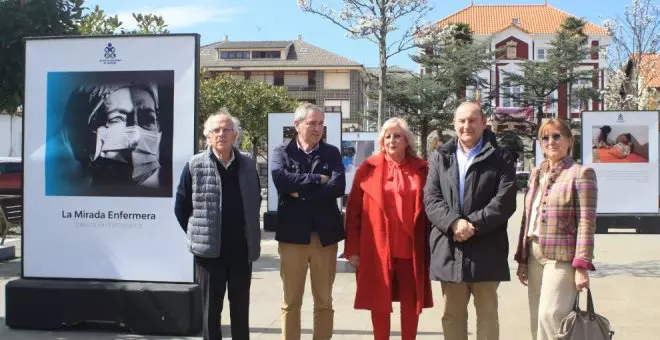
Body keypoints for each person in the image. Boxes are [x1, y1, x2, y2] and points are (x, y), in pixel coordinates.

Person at [423, 101, 517, 340]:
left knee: (487, 316)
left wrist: (471, 225)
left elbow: (504, 202)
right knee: (452, 317)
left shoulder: (501, 157)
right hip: (449, 249)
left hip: (487, 250)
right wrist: (454, 223)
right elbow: (431, 199)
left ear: (484, 123)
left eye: (473, 120)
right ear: (454, 125)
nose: (467, 126)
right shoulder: (440, 157)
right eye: (462, 121)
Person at [174, 112, 262, 340]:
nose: (221, 134)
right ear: (208, 136)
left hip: (242, 251)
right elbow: (181, 207)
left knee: (241, 312)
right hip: (210, 255)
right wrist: (200, 234)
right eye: (216, 130)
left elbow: (255, 202)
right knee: (211, 313)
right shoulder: (195, 165)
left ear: (235, 135)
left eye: (227, 129)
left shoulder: (248, 165)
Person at [344, 117, 433, 340]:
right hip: (376, 249)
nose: (392, 140)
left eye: (397, 136)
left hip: (411, 250)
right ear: (381, 140)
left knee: (411, 306)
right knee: (379, 304)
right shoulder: (368, 168)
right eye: (387, 135)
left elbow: (433, 209)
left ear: (407, 141)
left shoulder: (423, 169)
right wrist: (353, 249)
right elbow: (353, 212)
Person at [514, 118, 597, 340]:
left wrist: (582, 265)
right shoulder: (536, 174)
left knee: (550, 317)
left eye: (557, 136)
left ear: (569, 141)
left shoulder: (581, 173)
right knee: (535, 320)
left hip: (561, 257)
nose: (551, 141)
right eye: (545, 137)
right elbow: (527, 217)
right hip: (533, 253)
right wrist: (522, 257)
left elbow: (587, 222)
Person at [271, 102, 346, 340]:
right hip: (292, 237)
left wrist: (300, 191)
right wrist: (316, 179)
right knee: (291, 301)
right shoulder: (280, 152)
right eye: (312, 123)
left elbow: (337, 187)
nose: (317, 128)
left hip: (325, 238)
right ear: (297, 125)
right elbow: (281, 181)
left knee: (324, 301)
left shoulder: (332, 153)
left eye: (320, 123)